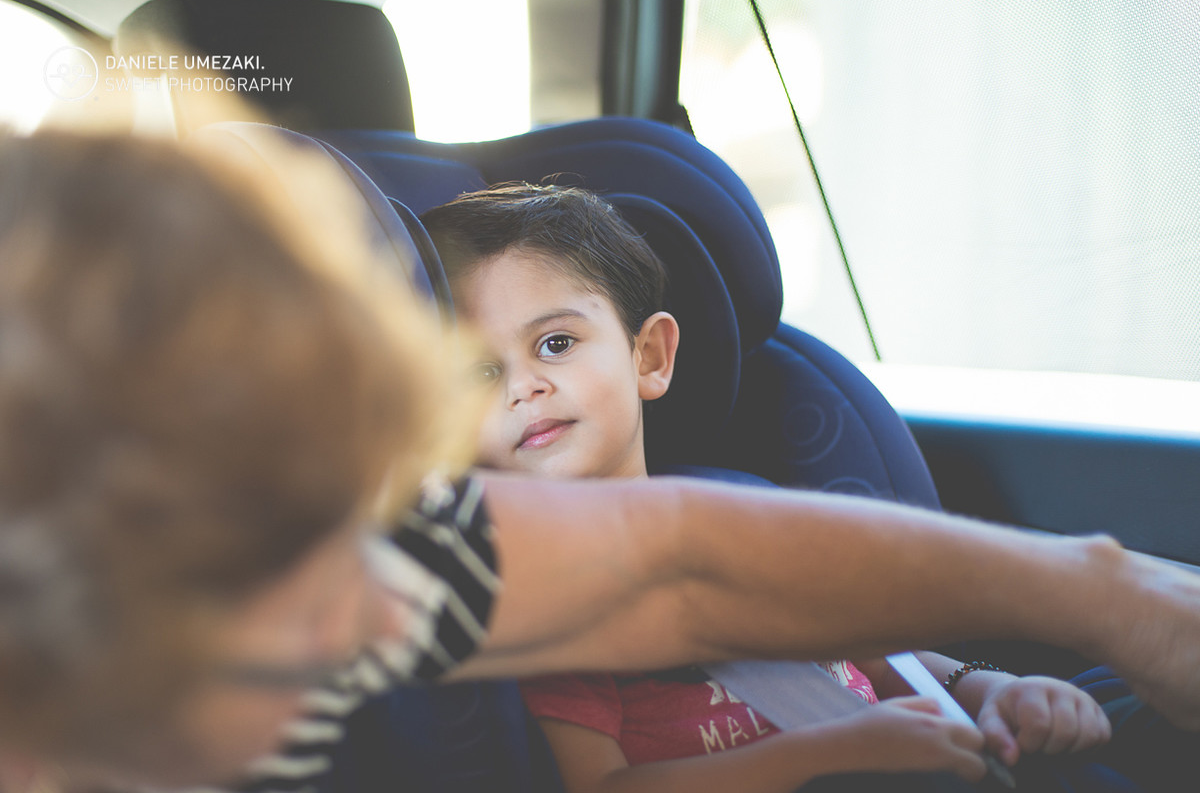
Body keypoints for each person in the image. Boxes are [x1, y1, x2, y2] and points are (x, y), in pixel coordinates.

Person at [2, 129, 1200, 793]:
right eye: (294, 557)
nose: (393, 602)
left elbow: (671, 562)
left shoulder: (373, 580)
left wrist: (1113, 593)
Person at [420, 183, 1126, 792]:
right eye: (480, 374)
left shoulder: (744, 513)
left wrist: (988, 687)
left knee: (1126, 710)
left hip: (924, 757)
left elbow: (880, 656)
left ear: (650, 356)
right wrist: (833, 753)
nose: (524, 387)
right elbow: (599, 786)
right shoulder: (539, 602)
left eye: (555, 344)